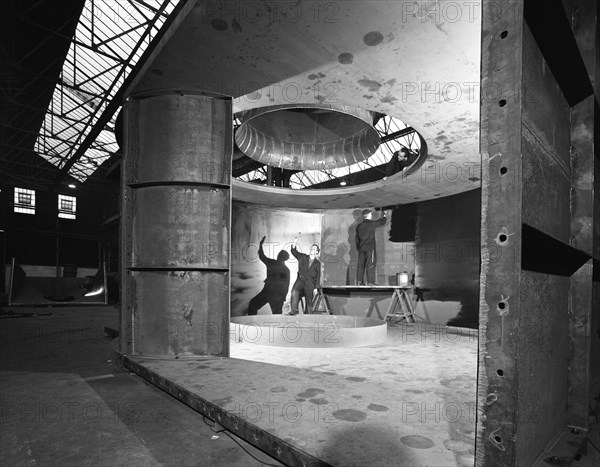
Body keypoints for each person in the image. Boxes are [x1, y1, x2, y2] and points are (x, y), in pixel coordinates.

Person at [247, 236, 290, 315]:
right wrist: (282, 298)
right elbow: (286, 286)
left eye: (280, 254)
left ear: (282, 257)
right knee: (277, 316)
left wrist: (260, 245)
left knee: (253, 305)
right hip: (275, 295)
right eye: (279, 253)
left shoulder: (272, 263)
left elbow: (262, 256)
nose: (278, 254)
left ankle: (251, 325)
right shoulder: (285, 270)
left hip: (269, 293)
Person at [288, 234, 321, 315]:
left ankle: (308, 315)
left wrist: (316, 288)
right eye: (311, 248)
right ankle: (294, 310)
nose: (312, 250)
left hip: (310, 283)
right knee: (294, 292)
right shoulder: (303, 257)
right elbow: (293, 251)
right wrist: (295, 241)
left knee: (309, 301)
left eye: (314, 249)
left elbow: (318, 276)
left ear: (317, 252)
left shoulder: (318, 263)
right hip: (301, 280)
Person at [355, 208, 387, 285]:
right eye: (371, 214)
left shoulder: (359, 226)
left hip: (361, 248)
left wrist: (358, 248)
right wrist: (384, 214)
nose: (372, 215)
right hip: (370, 248)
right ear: (369, 215)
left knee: (360, 265)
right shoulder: (371, 224)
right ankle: (370, 282)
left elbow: (356, 239)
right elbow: (382, 222)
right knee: (370, 264)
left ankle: (359, 282)